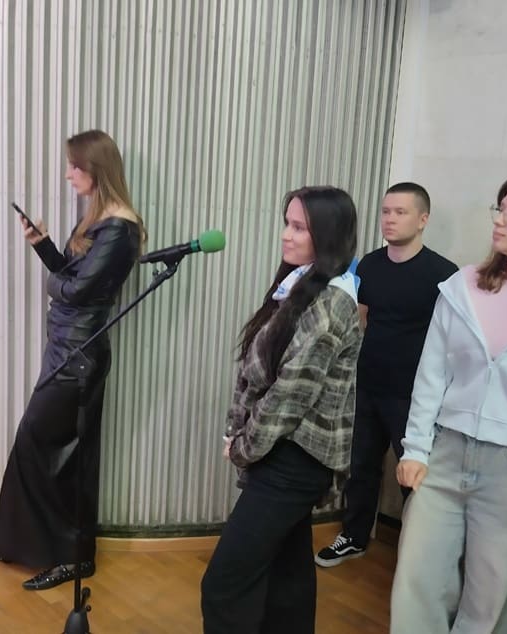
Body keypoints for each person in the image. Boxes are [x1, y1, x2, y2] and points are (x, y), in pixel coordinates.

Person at [390, 172, 507, 633]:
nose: (499, 220)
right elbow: (432, 372)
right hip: (446, 454)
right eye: (500, 208)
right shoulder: (464, 285)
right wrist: (415, 448)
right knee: (416, 582)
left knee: (489, 599)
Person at [0, 129, 146, 590]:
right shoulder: (97, 217)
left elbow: (75, 289)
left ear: (96, 168)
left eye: (74, 166)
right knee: (37, 446)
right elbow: (68, 276)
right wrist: (43, 245)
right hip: (65, 350)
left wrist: (59, 286)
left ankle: (76, 558)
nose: (68, 174)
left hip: (80, 357)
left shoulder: (121, 228)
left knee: (64, 454)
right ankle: (13, 541)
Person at [201, 186, 360, 634]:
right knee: (287, 579)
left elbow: (291, 395)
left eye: (299, 227)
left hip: (294, 459)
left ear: (327, 235)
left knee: (225, 584)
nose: (286, 235)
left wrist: (243, 446)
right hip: (284, 453)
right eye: (287, 223)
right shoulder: (301, 289)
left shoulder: (331, 303)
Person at [315, 182, 457, 567]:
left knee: (414, 476)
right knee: (360, 467)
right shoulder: (370, 265)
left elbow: (450, 343)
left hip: (414, 395)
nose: (389, 219)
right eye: (385, 211)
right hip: (368, 386)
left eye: (400, 212)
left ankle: (418, 554)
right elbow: (359, 321)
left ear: (423, 219)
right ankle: (354, 536)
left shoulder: (444, 274)